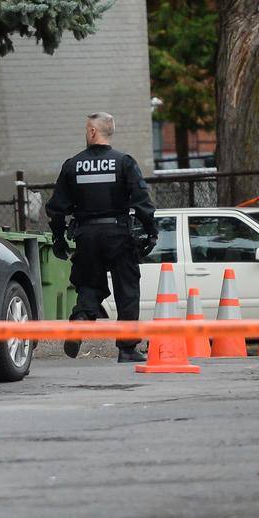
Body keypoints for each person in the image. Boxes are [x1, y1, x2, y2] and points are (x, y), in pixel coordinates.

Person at [46, 113, 157, 363]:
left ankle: (80, 320)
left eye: (86, 129)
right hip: (119, 234)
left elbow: (56, 208)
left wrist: (58, 238)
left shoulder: (72, 165)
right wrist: (151, 232)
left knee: (89, 284)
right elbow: (142, 201)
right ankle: (127, 349)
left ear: (93, 132)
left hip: (86, 236)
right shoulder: (124, 162)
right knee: (127, 290)